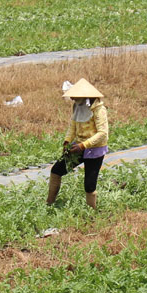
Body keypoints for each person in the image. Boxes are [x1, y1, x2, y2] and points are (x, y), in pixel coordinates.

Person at [47, 78, 109, 209]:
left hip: (94, 150)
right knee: (56, 170)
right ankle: (49, 204)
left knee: (89, 185)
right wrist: (67, 141)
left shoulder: (99, 110)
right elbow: (73, 126)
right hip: (78, 147)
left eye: (74, 96)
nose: (73, 99)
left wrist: (83, 145)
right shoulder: (77, 106)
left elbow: (103, 133)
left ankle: (91, 212)